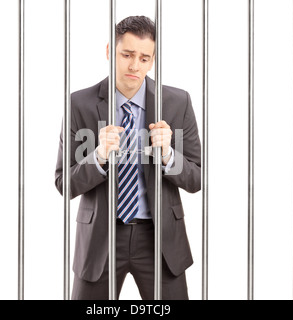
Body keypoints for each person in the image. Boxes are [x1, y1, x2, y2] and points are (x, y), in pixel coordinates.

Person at [55, 16, 201, 300]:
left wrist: (169, 155)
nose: (135, 65)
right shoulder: (78, 105)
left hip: (160, 241)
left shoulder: (177, 102)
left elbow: (197, 178)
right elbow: (63, 183)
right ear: (111, 51)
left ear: (153, 60)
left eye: (145, 58)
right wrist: (96, 157)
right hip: (100, 239)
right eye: (127, 55)